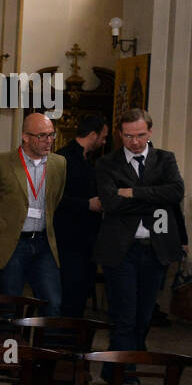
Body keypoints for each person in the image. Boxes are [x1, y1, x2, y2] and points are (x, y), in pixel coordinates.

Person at [94, 108, 185, 369]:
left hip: (155, 249)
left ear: (151, 132)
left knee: (144, 317)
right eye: (128, 136)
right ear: (120, 135)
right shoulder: (107, 163)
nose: (135, 142)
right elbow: (110, 203)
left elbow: (175, 193)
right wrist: (155, 199)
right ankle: (126, 378)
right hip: (121, 250)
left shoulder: (165, 160)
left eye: (141, 135)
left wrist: (131, 193)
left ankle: (114, 370)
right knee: (125, 316)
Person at [0, 112, 66, 316]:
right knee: (10, 304)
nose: (48, 141)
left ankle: (45, 348)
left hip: (43, 243)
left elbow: (55, 199)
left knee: (53, 302)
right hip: (11, 243)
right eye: (42, 136)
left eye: (51, 135)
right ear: (25, 137)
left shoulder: (59, 164)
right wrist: (0, 225)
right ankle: (10, 346)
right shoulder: (0, 163)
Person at [54, 114, 108, 317]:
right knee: (67, 295)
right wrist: (87, 204)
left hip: (87, 241)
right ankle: (59, 343)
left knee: (79, 297)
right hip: (68, 240)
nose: (104, 142)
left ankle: (74, 342)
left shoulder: (89, 161)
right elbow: (54, 198)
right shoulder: (63, 158)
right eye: (102, 137)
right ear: (93, 135)